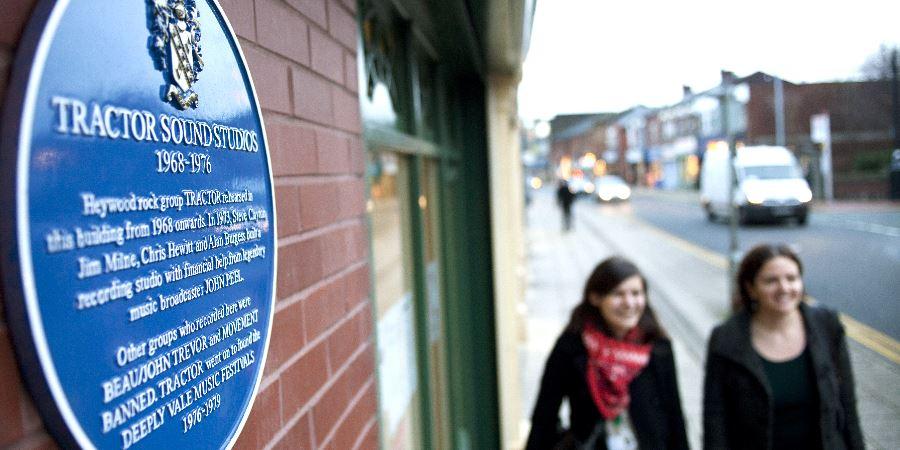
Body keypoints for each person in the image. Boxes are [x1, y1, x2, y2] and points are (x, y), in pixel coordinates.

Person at [703, 244, 864, 450]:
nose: (784, 288)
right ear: (751, 288)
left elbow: (847, 405)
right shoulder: (726, 338)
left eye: (792, 278)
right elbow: (715, 420)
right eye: (771, 281)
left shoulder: (827, 326)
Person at [526, 257, 689, 449]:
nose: (629, 303)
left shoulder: (658, 347)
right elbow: (544, 415)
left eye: (636, 293)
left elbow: (674, 416)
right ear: (595, 298)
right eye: (618, 294)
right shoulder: (571, 347)